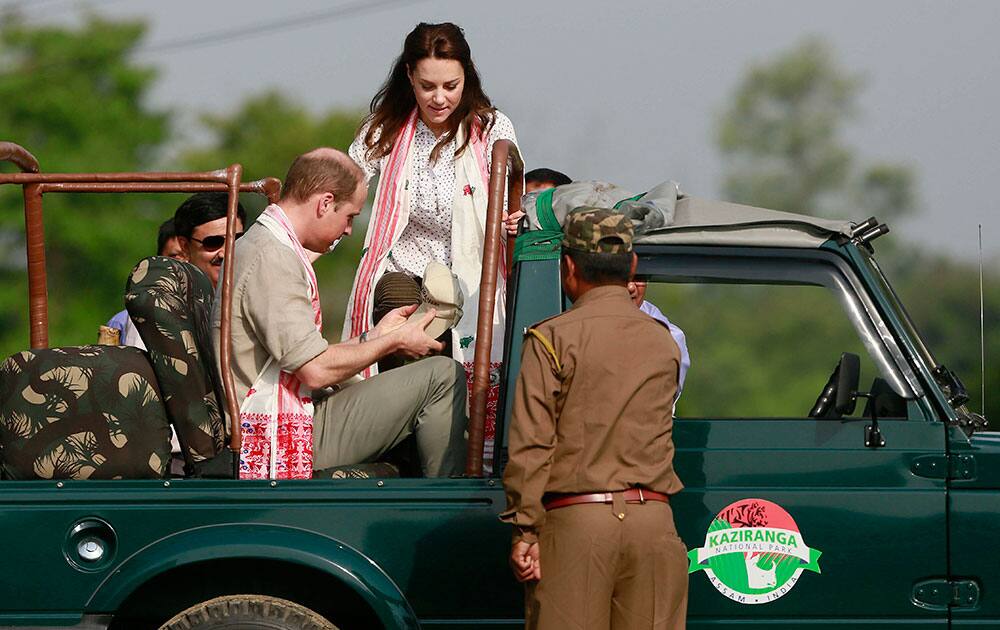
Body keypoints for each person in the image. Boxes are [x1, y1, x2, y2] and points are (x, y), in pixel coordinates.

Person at [213, 148, 467, 479]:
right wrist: (391, 344)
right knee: (443, 376)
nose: (348, 230)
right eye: (349, 216)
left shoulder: (267, 245)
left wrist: (375, 337)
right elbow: (316, 370)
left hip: (284, 413)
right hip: (272, 434)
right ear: (324, 203)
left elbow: (299, 355)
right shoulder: (272, 257)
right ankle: (446, 511)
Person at [343, 22, 522, 466]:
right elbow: (341, 191)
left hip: (472, 281)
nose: (439, 98)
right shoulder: (383, 130)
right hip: (405, 279)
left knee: (472, 387)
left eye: (450, 85)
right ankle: (393, 443)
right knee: (400, 303)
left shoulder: (492, 128)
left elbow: (514, 197)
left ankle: (461, 467)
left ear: (468, 78)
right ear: (409, 77)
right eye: (427, 86)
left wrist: (516, 222)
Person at [501, 208, 688, 629]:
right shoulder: (664, 342)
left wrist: (525, 530)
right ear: (632, 267)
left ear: (568, 266)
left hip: (577, 524)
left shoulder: (552, 338)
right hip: (655, 526)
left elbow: (532, 445)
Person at [104, 217, 187, 348]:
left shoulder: (212, 316)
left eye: (188, 257)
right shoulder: (123, 322)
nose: (183, 265)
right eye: (175, 257)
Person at [627, 280, 691, 402]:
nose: (631, 287)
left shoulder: (672, 337)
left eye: (638, 278)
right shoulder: (582, 319)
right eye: (623, 277)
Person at [174, 191, 247, 289]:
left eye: (236, 240)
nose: (225, 253)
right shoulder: (168, 299)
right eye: (213, 242)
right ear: (185, 247)